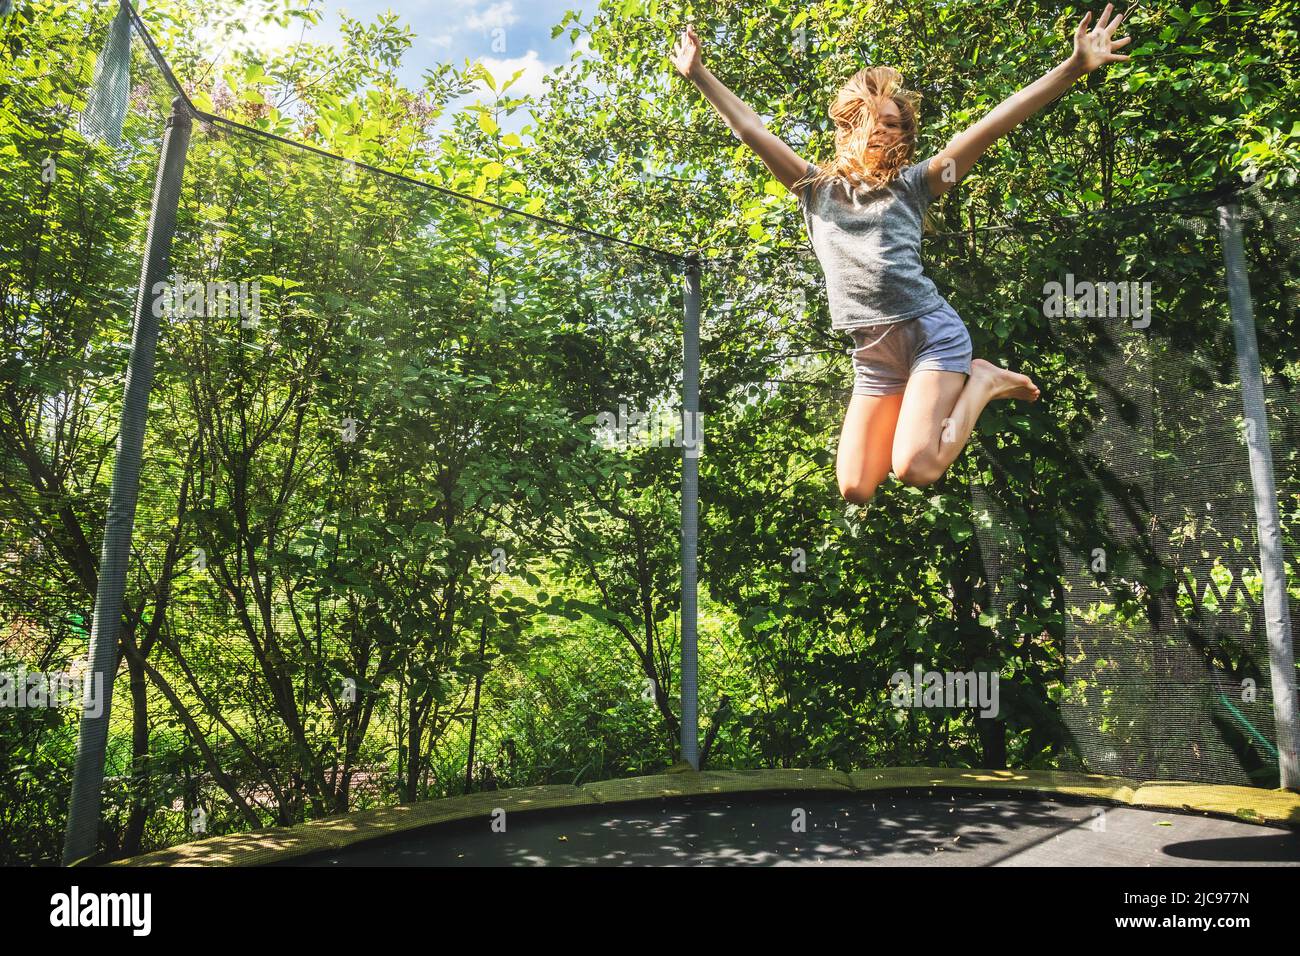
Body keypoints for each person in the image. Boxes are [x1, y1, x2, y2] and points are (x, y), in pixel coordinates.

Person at [672, 6, 1131, 502]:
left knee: (917, 467)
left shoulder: (917, 185)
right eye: (870, 120)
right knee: (855, 487)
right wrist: (699, 73)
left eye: (893, 124)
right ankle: (971, 388)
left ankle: (982, 382)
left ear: (904, 137)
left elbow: (993, 126)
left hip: (929, 334)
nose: (882, 130)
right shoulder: (813, 188)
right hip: (873, 355)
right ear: (848, 127)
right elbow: (749, 130)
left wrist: (1073, 67)